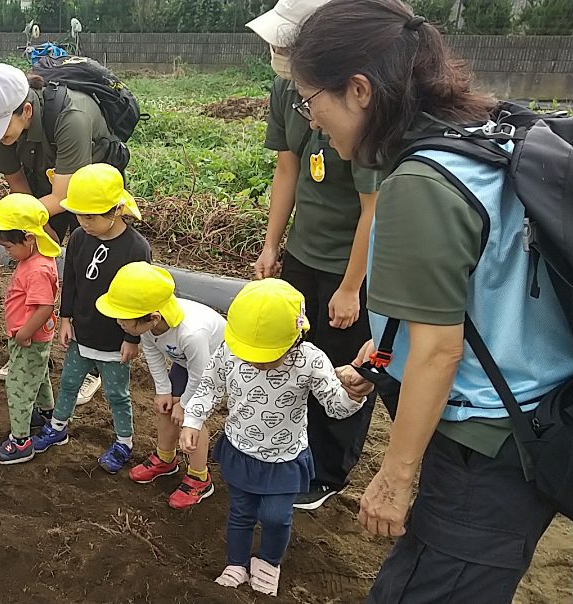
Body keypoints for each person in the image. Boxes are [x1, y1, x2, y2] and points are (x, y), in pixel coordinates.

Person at [289, 1, 573, 601]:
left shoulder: (418, 183)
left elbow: (441, 351)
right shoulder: (477, 137)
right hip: (539, 414)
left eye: (309, 99)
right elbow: (476, 292)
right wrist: (379, 354)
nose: (312, 120)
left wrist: (394, 477)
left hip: (485, 448)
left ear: (358, 90)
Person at [246, 0, 384, 510]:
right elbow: (288, 169)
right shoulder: (286, 90)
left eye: (287, 42)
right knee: (294, 353)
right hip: (304, 253)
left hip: (351, 263)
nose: (277, 52)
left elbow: (374, 209)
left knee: (342, 365)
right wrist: (271, 245)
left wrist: (351, 287)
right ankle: (291, 448)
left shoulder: (358, 105)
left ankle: (329, 471)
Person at [181, 279, 366, 597]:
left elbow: (336, 408)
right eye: (250, 353)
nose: (255, 361)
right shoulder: (231, 351)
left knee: (276, 517)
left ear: (297, 335)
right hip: (240, 449)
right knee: (240, 511)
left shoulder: (310, 361)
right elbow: (210, 386)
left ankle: (269, 562)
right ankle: (237, 563)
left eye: (266, 355)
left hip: (284, 457)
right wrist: (193, 420)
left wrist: (355, 395)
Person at [0, 62, 123, 404]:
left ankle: (93, 364)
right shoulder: (2, 130)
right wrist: (37, 232)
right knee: (36, 265)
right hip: (47, 187)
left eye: (2, 129)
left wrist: (6, 222)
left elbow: (66, 197)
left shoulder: (73, 118)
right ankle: (31, 347)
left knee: (92, 271)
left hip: (88, 193)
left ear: (25, 110)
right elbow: (21, 188)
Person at [30, 163, 151, 474]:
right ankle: (58, 426)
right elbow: (70, 278)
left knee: (116, 393)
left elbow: (140, 299)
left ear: (117, 209)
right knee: (68, 382)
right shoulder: (81, 239)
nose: (83, 222)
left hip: (114, 339)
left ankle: (124, 442)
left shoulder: (136, 249)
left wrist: (132, 338)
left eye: (91, 216)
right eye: (79, 216)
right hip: (82, 331)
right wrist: (66, 317)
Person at [95, 262, 227, 508]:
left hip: (216, 368)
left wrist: (186, 404)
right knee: (165, 408)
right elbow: (154, 356)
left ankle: (200, 478)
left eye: (124, 319)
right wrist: (164, 392)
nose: (119, 323)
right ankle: (166, 459)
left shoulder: (191, 333)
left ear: (153, 317)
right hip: (187, 363)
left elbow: (201, 376)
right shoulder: (149, 325)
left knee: (192, 420)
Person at [0, 193, 61, 464]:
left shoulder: (37, 270)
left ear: (28, 238)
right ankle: (48, 414)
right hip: (33, 337)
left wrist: (24, 333)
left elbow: (45, 307)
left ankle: (20, 442)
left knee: (18, 385)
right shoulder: (35, 259)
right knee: (37, 378)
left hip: (29, 337)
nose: (7, 252)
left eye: (8, 247)